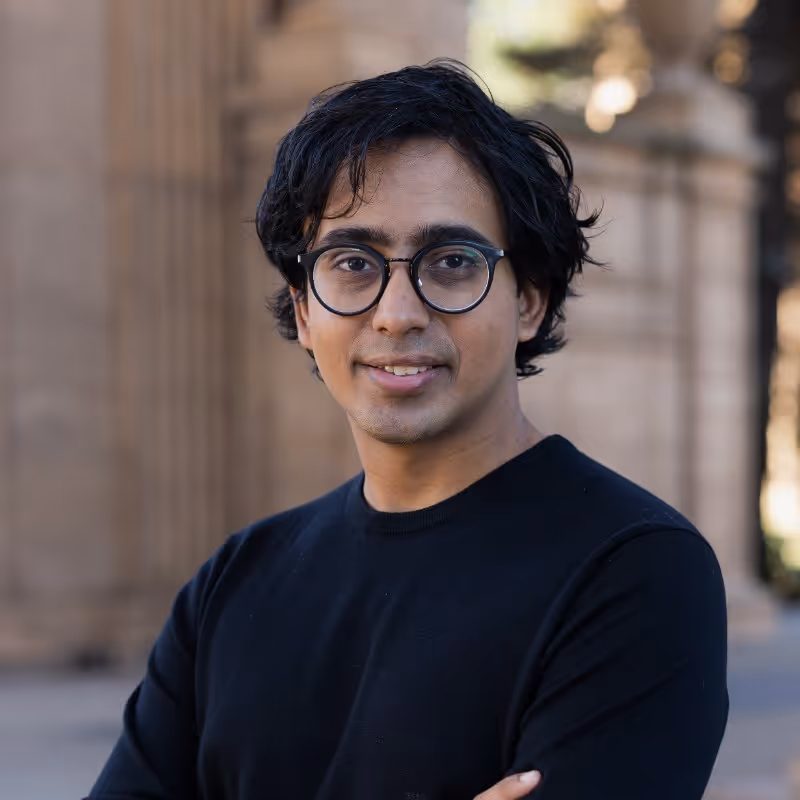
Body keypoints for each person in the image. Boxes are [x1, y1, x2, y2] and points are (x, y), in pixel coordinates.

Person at [87, 60, 729, 800]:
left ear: (528, 300)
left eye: (451, 262)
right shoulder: (234, 583)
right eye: (352, 262)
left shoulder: (636, 571)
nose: (397, 313)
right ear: (304, 310)